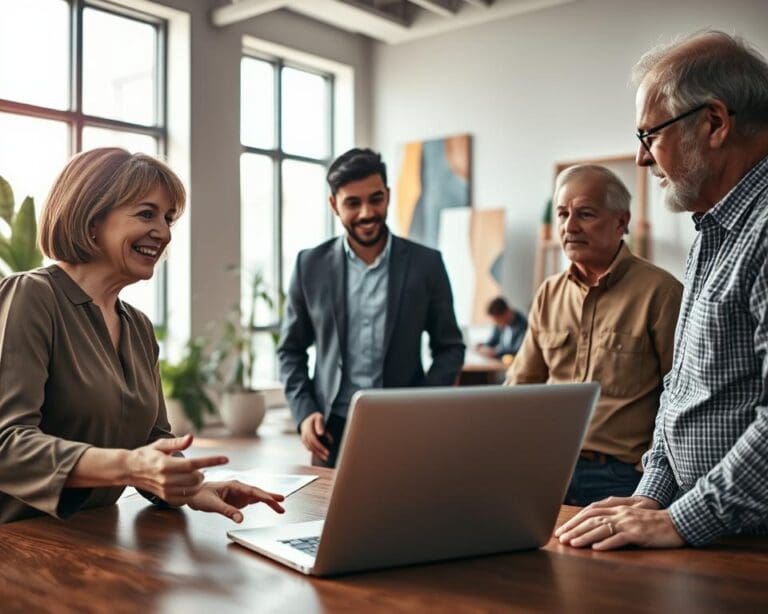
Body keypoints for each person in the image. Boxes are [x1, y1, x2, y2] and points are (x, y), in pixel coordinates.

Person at [557, 30, 768, 550]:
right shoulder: (713, 233)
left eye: (650, 135)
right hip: (703, 529)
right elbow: (681, 395)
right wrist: (651, 495)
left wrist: (680, 520)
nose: (642, 159)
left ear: (714, 123)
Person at [0, 148, 285, 524]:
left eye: (168, 219)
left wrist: (194, 486)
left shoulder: (137, 327)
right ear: (91, 219)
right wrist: (129, 466)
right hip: (23, 545)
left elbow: (153, 440)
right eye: (146, 214)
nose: (164, 233)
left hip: (98, 541)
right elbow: (7, 445)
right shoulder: (32, 295)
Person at [277, 148, 465, 468]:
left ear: (388, 196)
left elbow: (449, 348)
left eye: (375, 199)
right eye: (353, 203)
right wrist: (305, 412)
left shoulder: (427, 264)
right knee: (328, 519)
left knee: (405, 515)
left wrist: (423, 405)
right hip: (330, 430)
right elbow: (290, 351)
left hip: (406, 425)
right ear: (334, 204)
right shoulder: (310, 265)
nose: (367, 213)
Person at [507, 164, 682, 506]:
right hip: (550, 469)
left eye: (585, 214)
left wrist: (653, 461)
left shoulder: (661, 292)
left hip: (624, 476)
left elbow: (681, 392)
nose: (569, 227)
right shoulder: (549, 293)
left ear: (621, 222)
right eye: (562, 214)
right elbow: (520, 386)